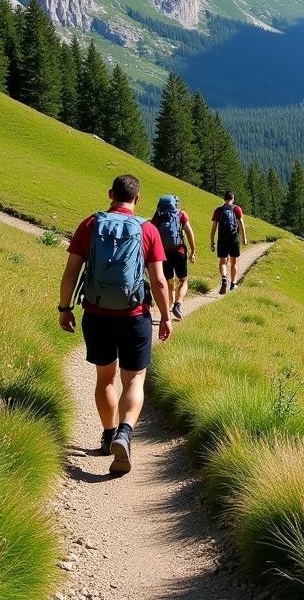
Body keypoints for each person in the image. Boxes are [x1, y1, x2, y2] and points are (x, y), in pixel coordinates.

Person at [58, 174, 173, 475]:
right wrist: (167, 315)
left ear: (110, 194)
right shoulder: (147, 229)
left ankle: (108, 435)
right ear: (137, 199)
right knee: (134, 380)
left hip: (96, 314)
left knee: (105, 378)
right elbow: (159, 281)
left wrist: (65, 308)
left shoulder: (90, 224)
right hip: (134, 317)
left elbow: (71, 271)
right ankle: (125, 433)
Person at [151, 194, 196, 320]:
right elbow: (189, 232)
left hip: (163, 253)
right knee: (183, 280)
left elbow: (151, 233)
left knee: (168, 282)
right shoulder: (181, 214)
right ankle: (177, 304)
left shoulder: (158, 216)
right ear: (174, 204)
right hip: (179, 251)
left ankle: (167, 310)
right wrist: (193, 251)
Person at [210, 189, 247, 294]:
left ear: (224, 198)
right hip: (233, 238)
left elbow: (214, 227)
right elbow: (241, 224)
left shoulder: (218, 210)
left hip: (222, 238)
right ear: (233, 198)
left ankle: (224, 279)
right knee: (233, 261)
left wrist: (212, 240)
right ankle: (233, 284)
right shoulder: (237, 209)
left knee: (223, 261)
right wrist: (244, 238)